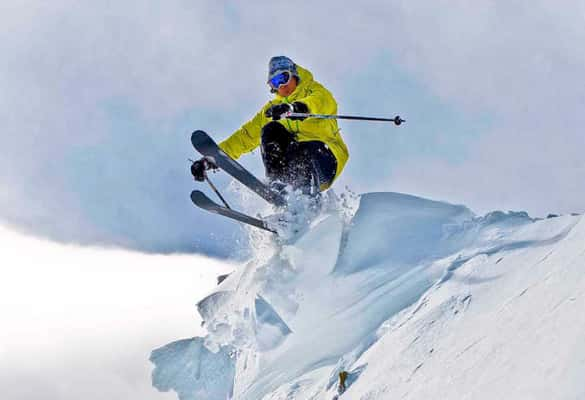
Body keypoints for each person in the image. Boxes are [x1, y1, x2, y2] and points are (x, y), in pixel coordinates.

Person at [191, 56, 349, 196]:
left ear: (294, 74)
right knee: (270, 129)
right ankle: (279, 186)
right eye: (275, 82)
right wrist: (211, 158)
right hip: (295, 165)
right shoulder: (272, 110)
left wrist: (295, 108)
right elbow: (245, 137)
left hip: (324, 159)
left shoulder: (314, 91)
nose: (281, 86)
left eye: (283, 78)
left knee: (303, 149)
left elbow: (321, 102)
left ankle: (306, 191)